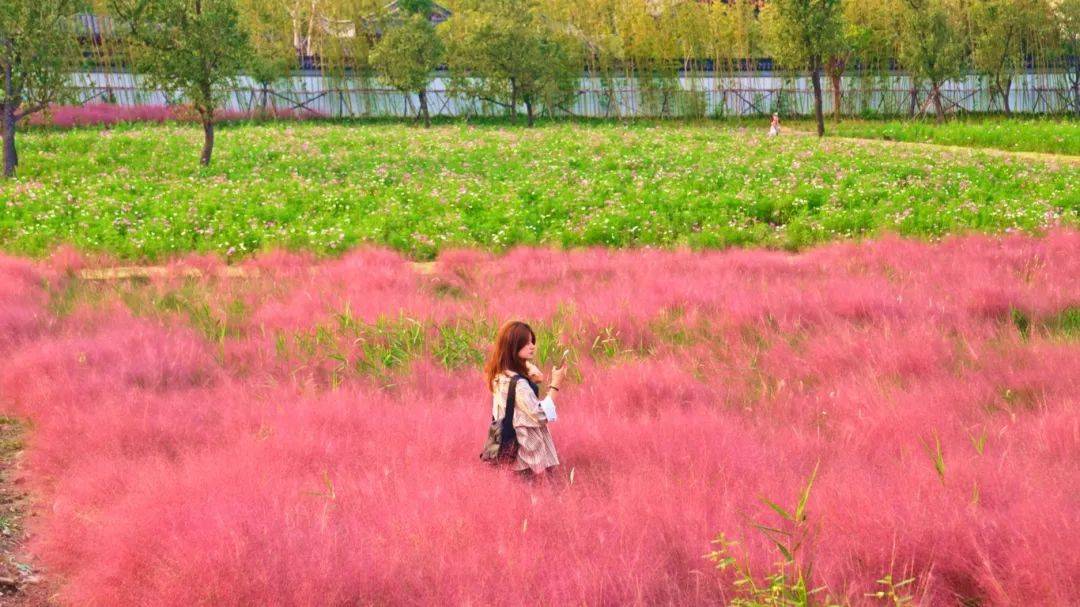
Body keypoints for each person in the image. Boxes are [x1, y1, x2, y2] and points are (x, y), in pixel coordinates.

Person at [483, 321, 567, 477]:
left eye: (532, 341)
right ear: (513, 346)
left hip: (509, 450)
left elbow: (516, 406)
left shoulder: (499, 375)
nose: (532, 346)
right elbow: (540, 415)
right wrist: (555, 384)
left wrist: (531, 378)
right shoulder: (519, 384)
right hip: (527, 455)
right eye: (526, 342)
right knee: (538, 495)